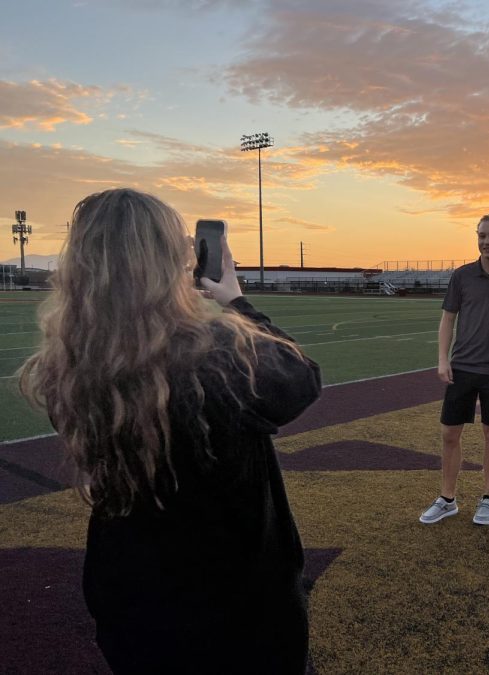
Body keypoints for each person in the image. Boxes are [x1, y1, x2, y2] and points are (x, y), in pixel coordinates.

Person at [18, 188, 321, 674]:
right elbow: (301, 379)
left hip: (130, 598)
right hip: (237, 605)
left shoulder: (65, 367)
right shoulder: (221, 354)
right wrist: (236, 300)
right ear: (166, 261)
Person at [419, 213, 489, 526]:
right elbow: (448, 319)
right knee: (449, 433)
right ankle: (447, 498)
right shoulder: (462, 275)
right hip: (463, 367)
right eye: (482, 235)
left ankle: (488, 498)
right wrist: (443, 359)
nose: (487, 241)